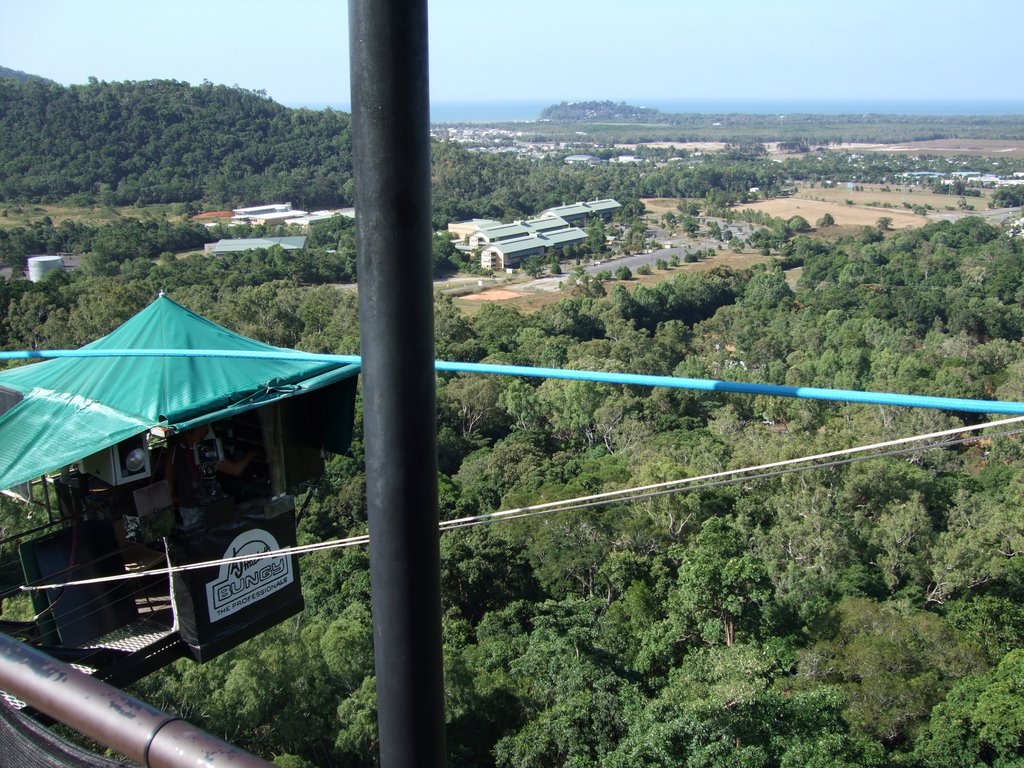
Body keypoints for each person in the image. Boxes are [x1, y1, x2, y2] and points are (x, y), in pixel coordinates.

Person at [166, 425, 257, 531]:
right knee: (219, 536)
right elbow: (236, 470)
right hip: (212, 506)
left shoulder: (174, 450)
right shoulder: (205, 451)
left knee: (197, 539)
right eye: (202, 428)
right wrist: (250, 455)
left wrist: (175, 497)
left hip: (188, 509)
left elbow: (168, 482)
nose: (205, 431)